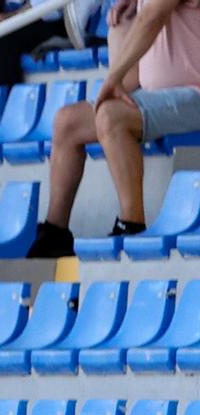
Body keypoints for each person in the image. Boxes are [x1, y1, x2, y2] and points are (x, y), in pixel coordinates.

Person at [28, 0, 200, 257]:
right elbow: (133, 76)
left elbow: (152, 17)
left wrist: (112, 78)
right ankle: (54, 233)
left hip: (194, 93)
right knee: (67, 122)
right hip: (157, 95)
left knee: (111, 117)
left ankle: (132, 224)